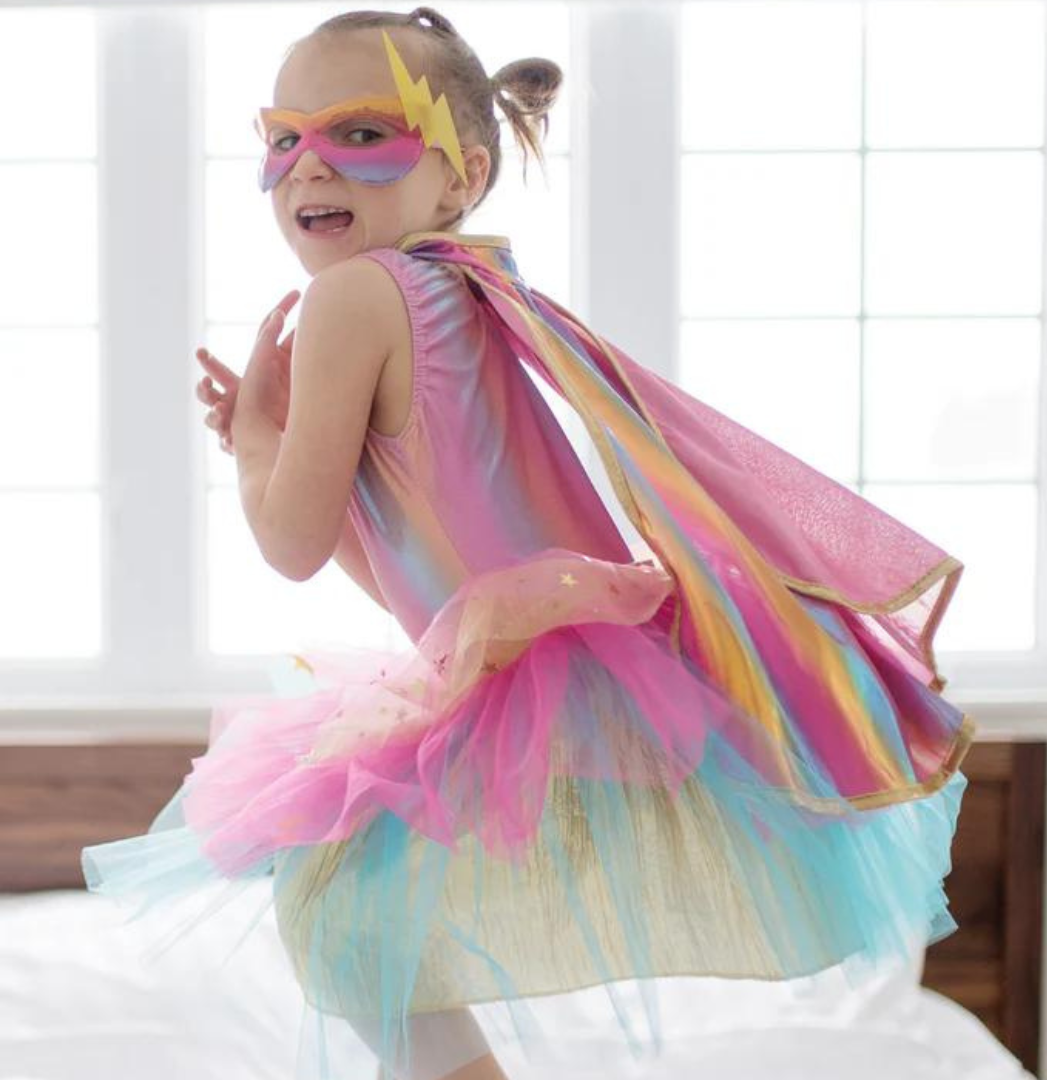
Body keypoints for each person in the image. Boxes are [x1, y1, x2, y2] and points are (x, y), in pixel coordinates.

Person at [81, 8, 978, 1080]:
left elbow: (289, 545)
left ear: (460, 176)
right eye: (284, 139)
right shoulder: (452, 285)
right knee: (351, 917)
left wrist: (259, 447)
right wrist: (271, 439)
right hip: (556, 665)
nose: (309, 165)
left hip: (542, 680)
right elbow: (409, 574)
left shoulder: (352, 296)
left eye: (361, 133)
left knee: (340, 919)